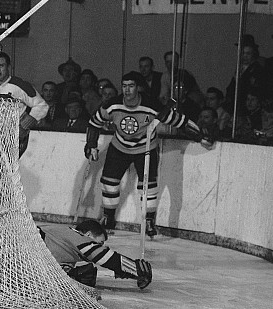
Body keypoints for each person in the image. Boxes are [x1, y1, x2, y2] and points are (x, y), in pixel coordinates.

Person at [85, 71, 210, 237]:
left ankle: (149, 220)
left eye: (131, 86)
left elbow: (179, 121)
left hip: (145, 149)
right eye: (124, 86)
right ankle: (108, 217)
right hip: (119, 147)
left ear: (138, 88)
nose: (127, 90)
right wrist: (91, 144)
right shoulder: (112, 105)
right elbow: (94, 123)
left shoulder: (152, 105)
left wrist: (201, 135)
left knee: (148, 186)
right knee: (109, 183)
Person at [38, 219, 152, 289]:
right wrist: (135, 269)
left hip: (26, 257)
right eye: (100, 242)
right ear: (88, 234)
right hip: (23, 245)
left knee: (82, 276)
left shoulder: (67, 252)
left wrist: (74, 275)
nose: (101, 246)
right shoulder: (75, 236)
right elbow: (103, 256)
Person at [0, 52, 48, 156]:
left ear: (8, 67)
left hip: (13, 138)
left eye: (1, 66)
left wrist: (24, 125)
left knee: (10, 170)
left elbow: (42, 105)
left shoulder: (20, 85)